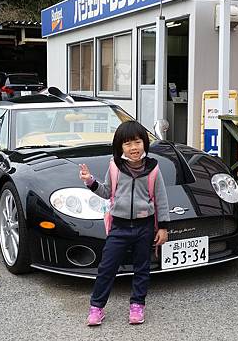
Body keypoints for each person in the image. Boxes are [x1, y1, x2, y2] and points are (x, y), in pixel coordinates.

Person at [79, 120, 169, 326]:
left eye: (137, 142)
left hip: (144, 226)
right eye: (127, 144)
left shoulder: (154, 169)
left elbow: (161, 199)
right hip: (118, 226)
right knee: (107, 267)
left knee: (142, 268)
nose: (133, 148)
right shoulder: (114, 167)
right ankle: (96, 308)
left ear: (144, 143)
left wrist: (163, 227)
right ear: (120, 147)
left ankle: (137, 305)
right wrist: (89, 181)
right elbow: (107, 192)